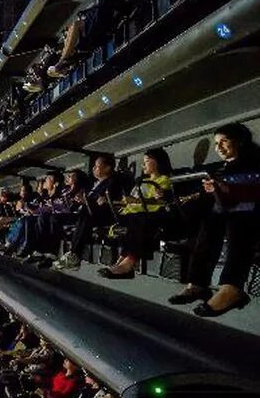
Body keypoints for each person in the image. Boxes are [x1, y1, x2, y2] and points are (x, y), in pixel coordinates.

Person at [168, 123, 260, 316]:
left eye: (224, 142)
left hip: (250, 214)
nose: (219, 147)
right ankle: (198, 283)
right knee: (208, 225)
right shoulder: (221, 169)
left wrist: (226, 189)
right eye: (216, 143)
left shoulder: (255, 162)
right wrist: (212, 191)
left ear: (240, 141)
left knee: (238, 224)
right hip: (227, 211)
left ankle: (232, 288)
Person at [98, 148, 173, 278]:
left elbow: (158, 202)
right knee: (129, 220)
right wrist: (110, 201)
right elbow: (128, 202)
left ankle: (129, 262)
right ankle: (121, 261)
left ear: (158, 162)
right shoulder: (141, 182)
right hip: (132, 213)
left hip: (148, 215)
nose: (143, 165)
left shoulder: (163, 180)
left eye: (147, 161)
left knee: (137, 221)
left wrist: (136, 200)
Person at [54, 154, 126, 270]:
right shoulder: (93, 185)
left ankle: (74, 255)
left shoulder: (112, 183)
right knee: (55, 218)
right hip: (86, 213)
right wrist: (80, 200)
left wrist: (86, 201)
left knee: (84, 216)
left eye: (97, 166)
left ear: (107, 168)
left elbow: (103, 204)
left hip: (102, 216)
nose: (93, 169)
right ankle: (60, 252)